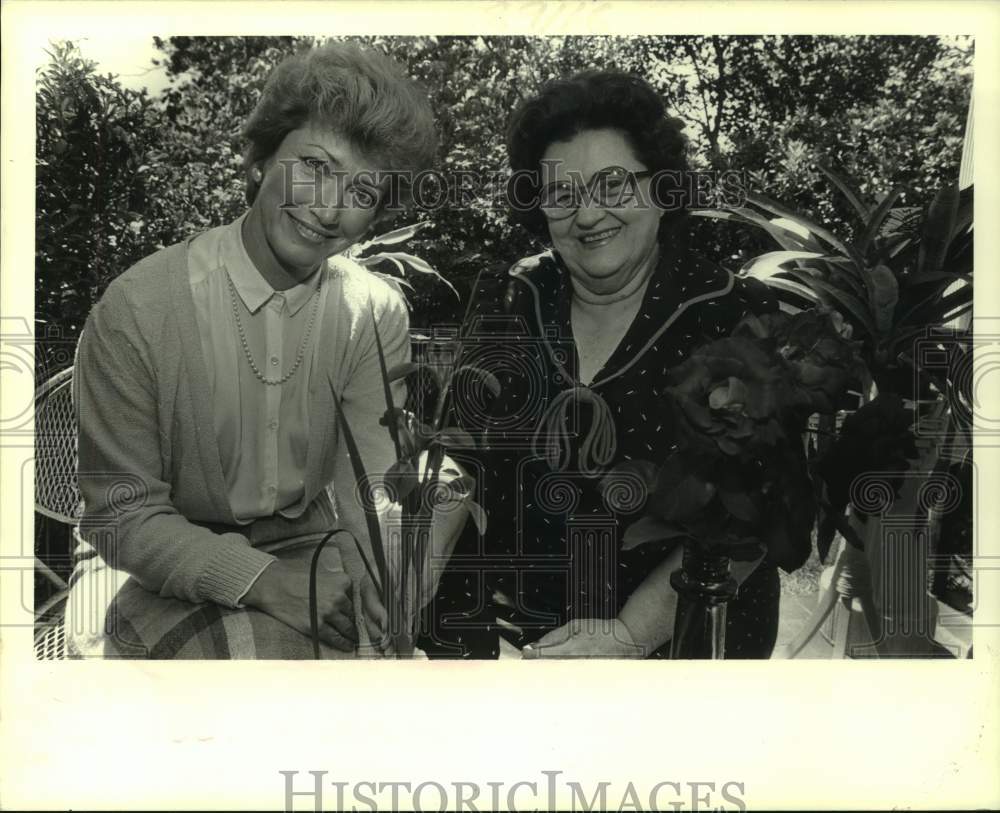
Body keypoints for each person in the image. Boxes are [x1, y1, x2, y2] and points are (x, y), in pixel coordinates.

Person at [69, 42, 465, 659]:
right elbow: (121, 518)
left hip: (310, 541)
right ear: (260, 159)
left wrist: (382, 582)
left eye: (362, 193)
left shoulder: (374, 311)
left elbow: (366, 486)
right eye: (315, 165)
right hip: (144, 556)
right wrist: (258, 580)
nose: (328, 209)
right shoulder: (138, 309)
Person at [422, 71, 807, 659]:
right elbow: (459, 459)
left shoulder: (733, 312)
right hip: (509, 639)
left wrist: (625, 639)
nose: (588, 214)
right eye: (562, 194)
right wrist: (410, 578)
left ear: (661, 186)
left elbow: (758, 517)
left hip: (674, 637)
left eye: (613, 185)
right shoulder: (511, 295)